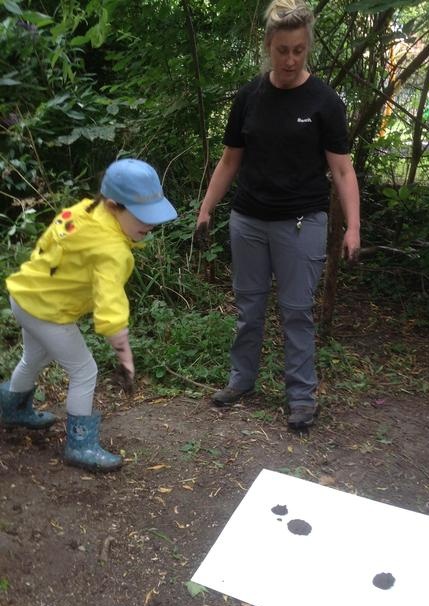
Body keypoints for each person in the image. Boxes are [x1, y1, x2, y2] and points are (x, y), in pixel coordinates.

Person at [196, 0, 360, 430]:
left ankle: (302, 397)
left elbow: (343, 170)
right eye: (282, 50)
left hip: (301, 222)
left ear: (308, 48)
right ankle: (241, 380)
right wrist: (207, 208)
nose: (290, 60)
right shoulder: (249, 97)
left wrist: (353, 227)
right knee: (248, 308)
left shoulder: (324, 101)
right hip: (248, 220)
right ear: (268, 45)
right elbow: (230, 160)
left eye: (298, 50)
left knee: (296, 311)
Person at [0, 158, 178, 472]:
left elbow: (48, 244)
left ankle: (13, 410)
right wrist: (124, 354)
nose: (150, 224)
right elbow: (110, 304)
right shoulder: (113, 250)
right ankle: (80, 444)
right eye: (142, 215)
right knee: (85, 371)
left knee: (34, 357)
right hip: (47, 311)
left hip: (25, 296)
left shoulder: (83, 210)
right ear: (113, 205)